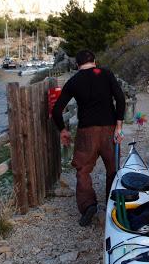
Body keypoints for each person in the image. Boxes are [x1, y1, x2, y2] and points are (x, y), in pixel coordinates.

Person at [52, 50, 125, 226]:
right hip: (109, 130)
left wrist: (63, 130)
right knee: (113, 169)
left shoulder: (74, 81)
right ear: (95, 61)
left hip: (86, 133)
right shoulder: (106, 74)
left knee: (83, 170)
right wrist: (119, 126)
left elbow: (55, 110)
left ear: (77, 65)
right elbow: (120, 99)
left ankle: (88, 206)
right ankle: (113, 205)